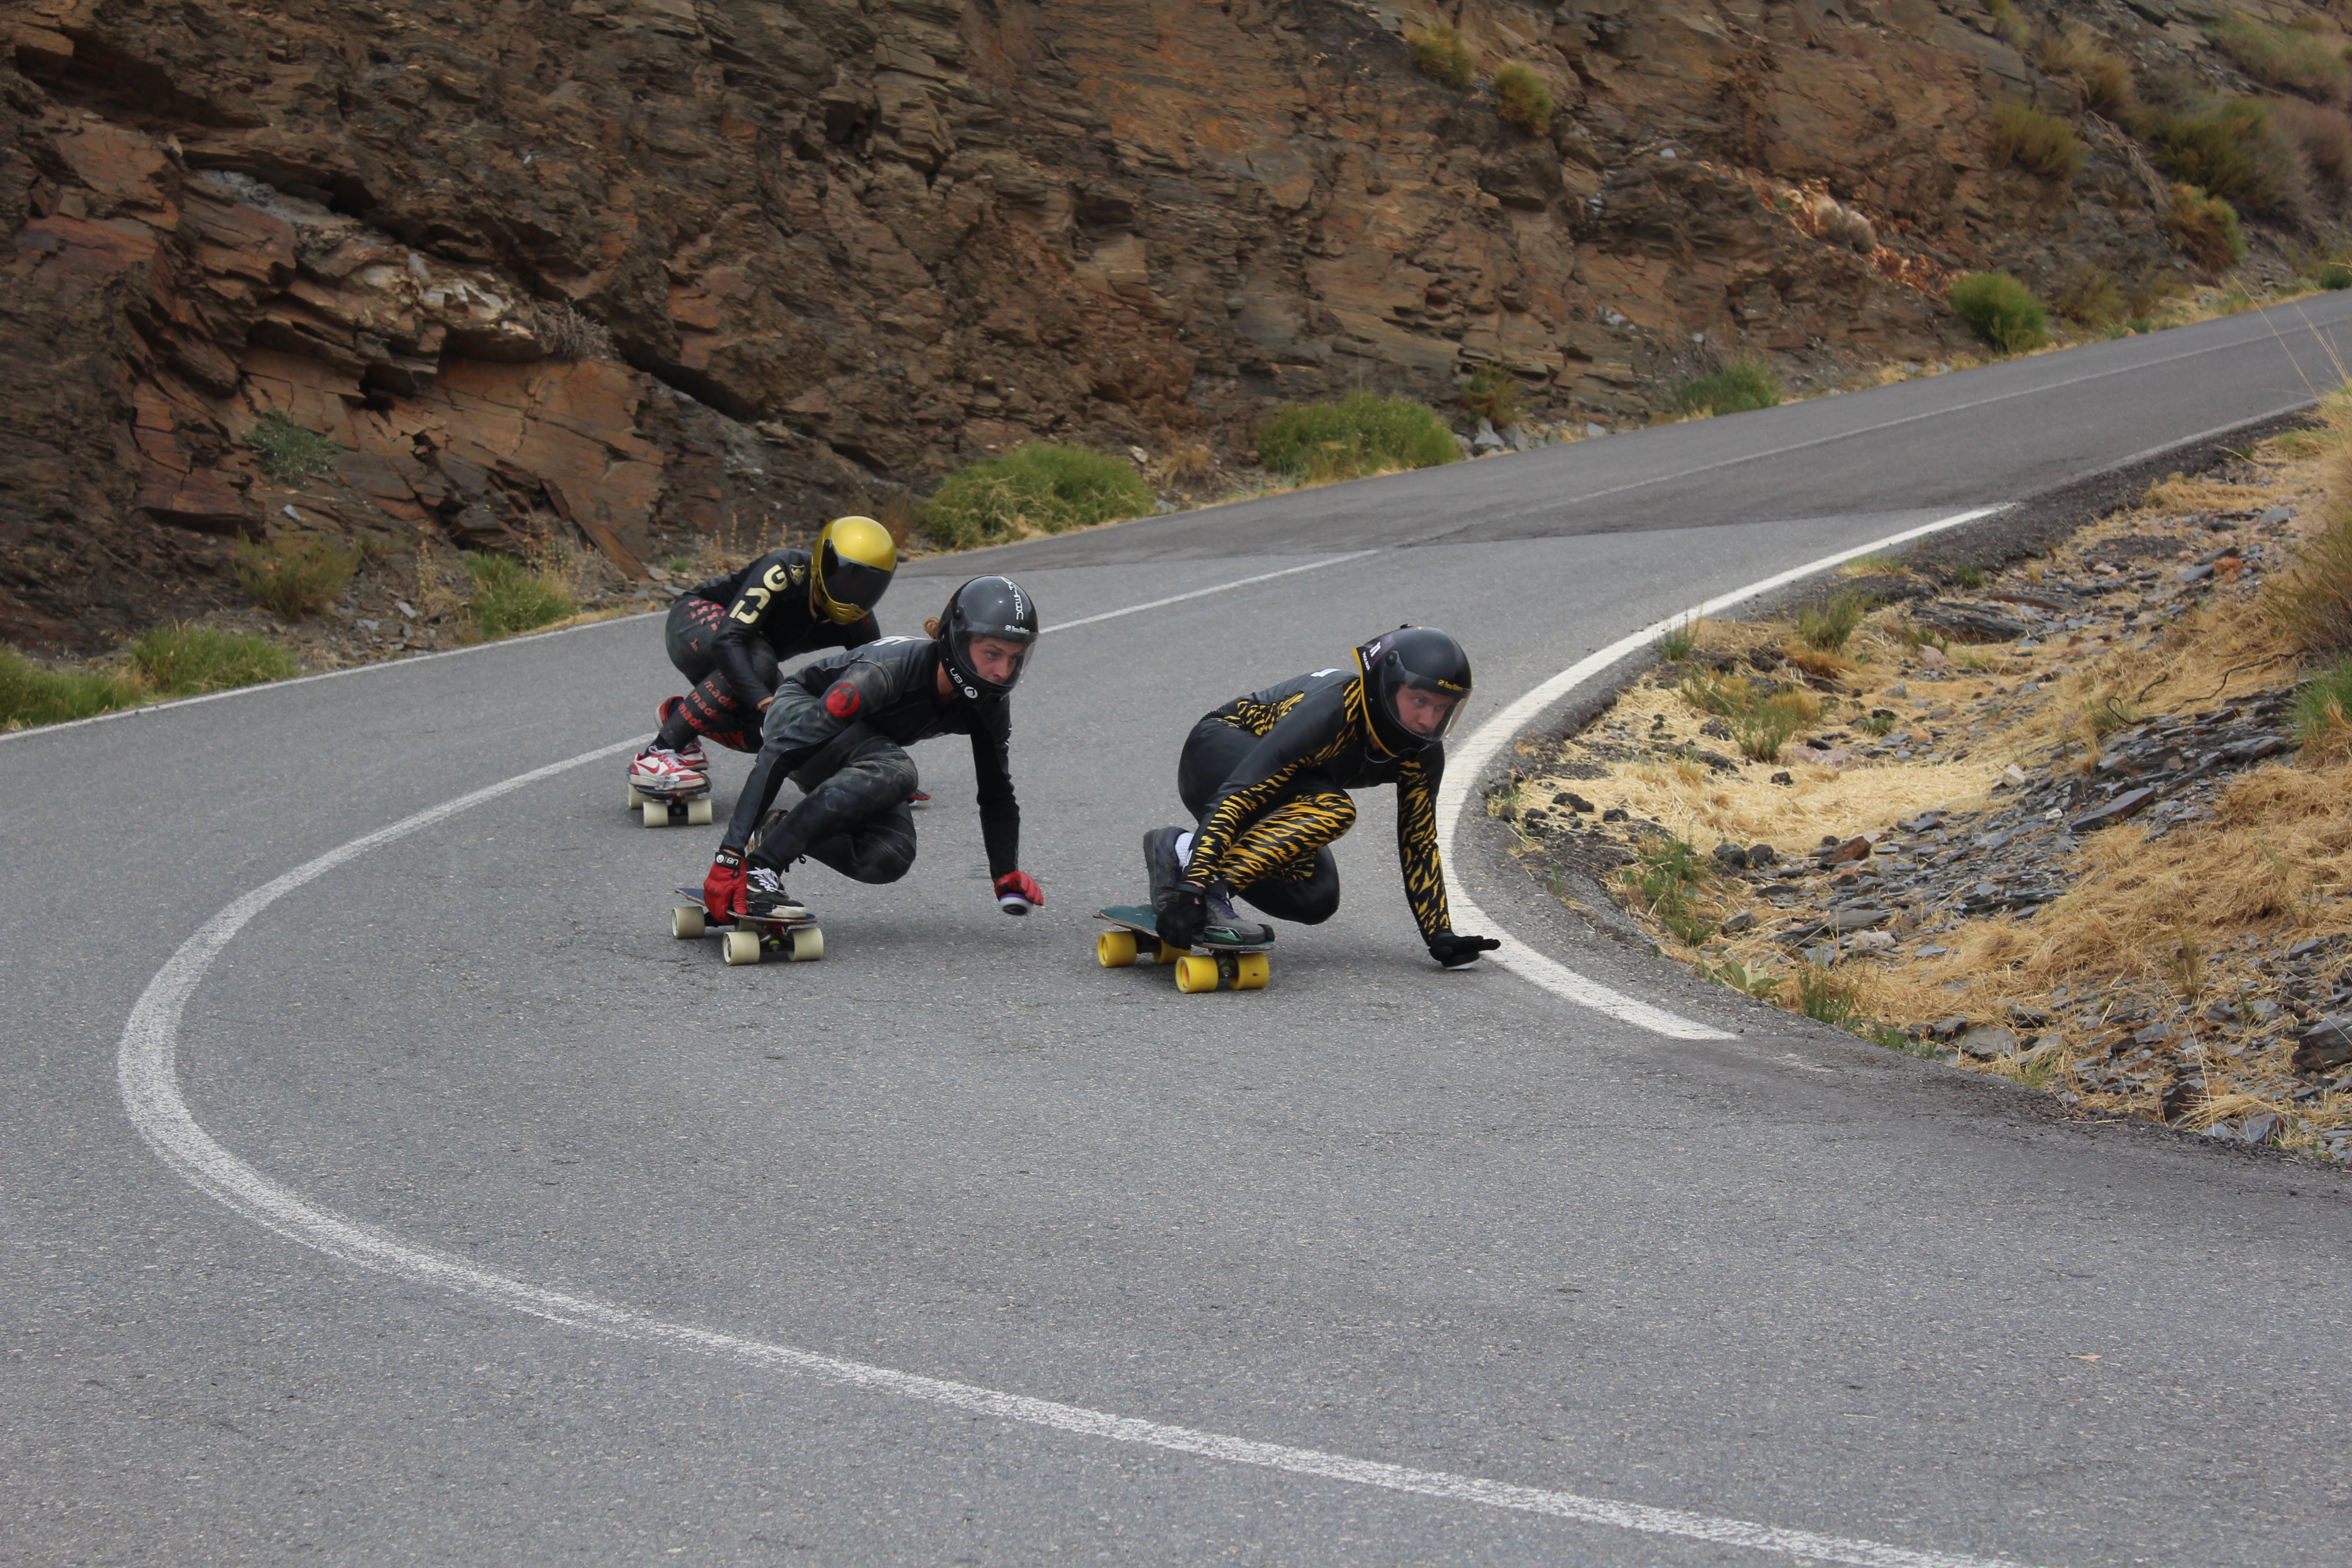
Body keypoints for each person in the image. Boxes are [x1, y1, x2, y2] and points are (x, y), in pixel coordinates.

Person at [1145, 626, 1502, 969]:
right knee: (1334, 808)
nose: (1428, 720)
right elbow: (1238, 795)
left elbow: (1419, 843)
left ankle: (1181, 851)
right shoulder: (1334, 709)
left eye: (1442, 708)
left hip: (1284, 788)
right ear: (1385, 686)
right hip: (1218, 758)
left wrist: (1439, 934)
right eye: (1419, 701)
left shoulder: (1421, 754)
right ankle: (1204, 887)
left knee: (1314, 898)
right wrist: (1194, 889)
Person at [701, 574, 1047, 924]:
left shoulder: (989, 702)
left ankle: (778, 831)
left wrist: (1005, 872)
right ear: (957, 638)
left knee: (887, 857)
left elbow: (997, 794)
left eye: (1014, 658)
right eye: (992, 653)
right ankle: (760, 871)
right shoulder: (884, 672)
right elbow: (780, 753)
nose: (1003, 671)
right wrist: (728, 857)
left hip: (860, 751)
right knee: (896, 771)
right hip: (798, 713)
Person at [629, 515, 899, 793]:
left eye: (868, 586)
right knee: (760, 665)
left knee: (776, 730)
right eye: (846, 579)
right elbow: (728, 641)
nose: (854, 594)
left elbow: (871, 691)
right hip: (693, 624)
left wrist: (883, 769)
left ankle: (677, 716)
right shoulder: (785, 569)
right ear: (822, 563)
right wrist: (765, 702)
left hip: (749, 656)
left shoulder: (859, 622)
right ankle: (656, 756)